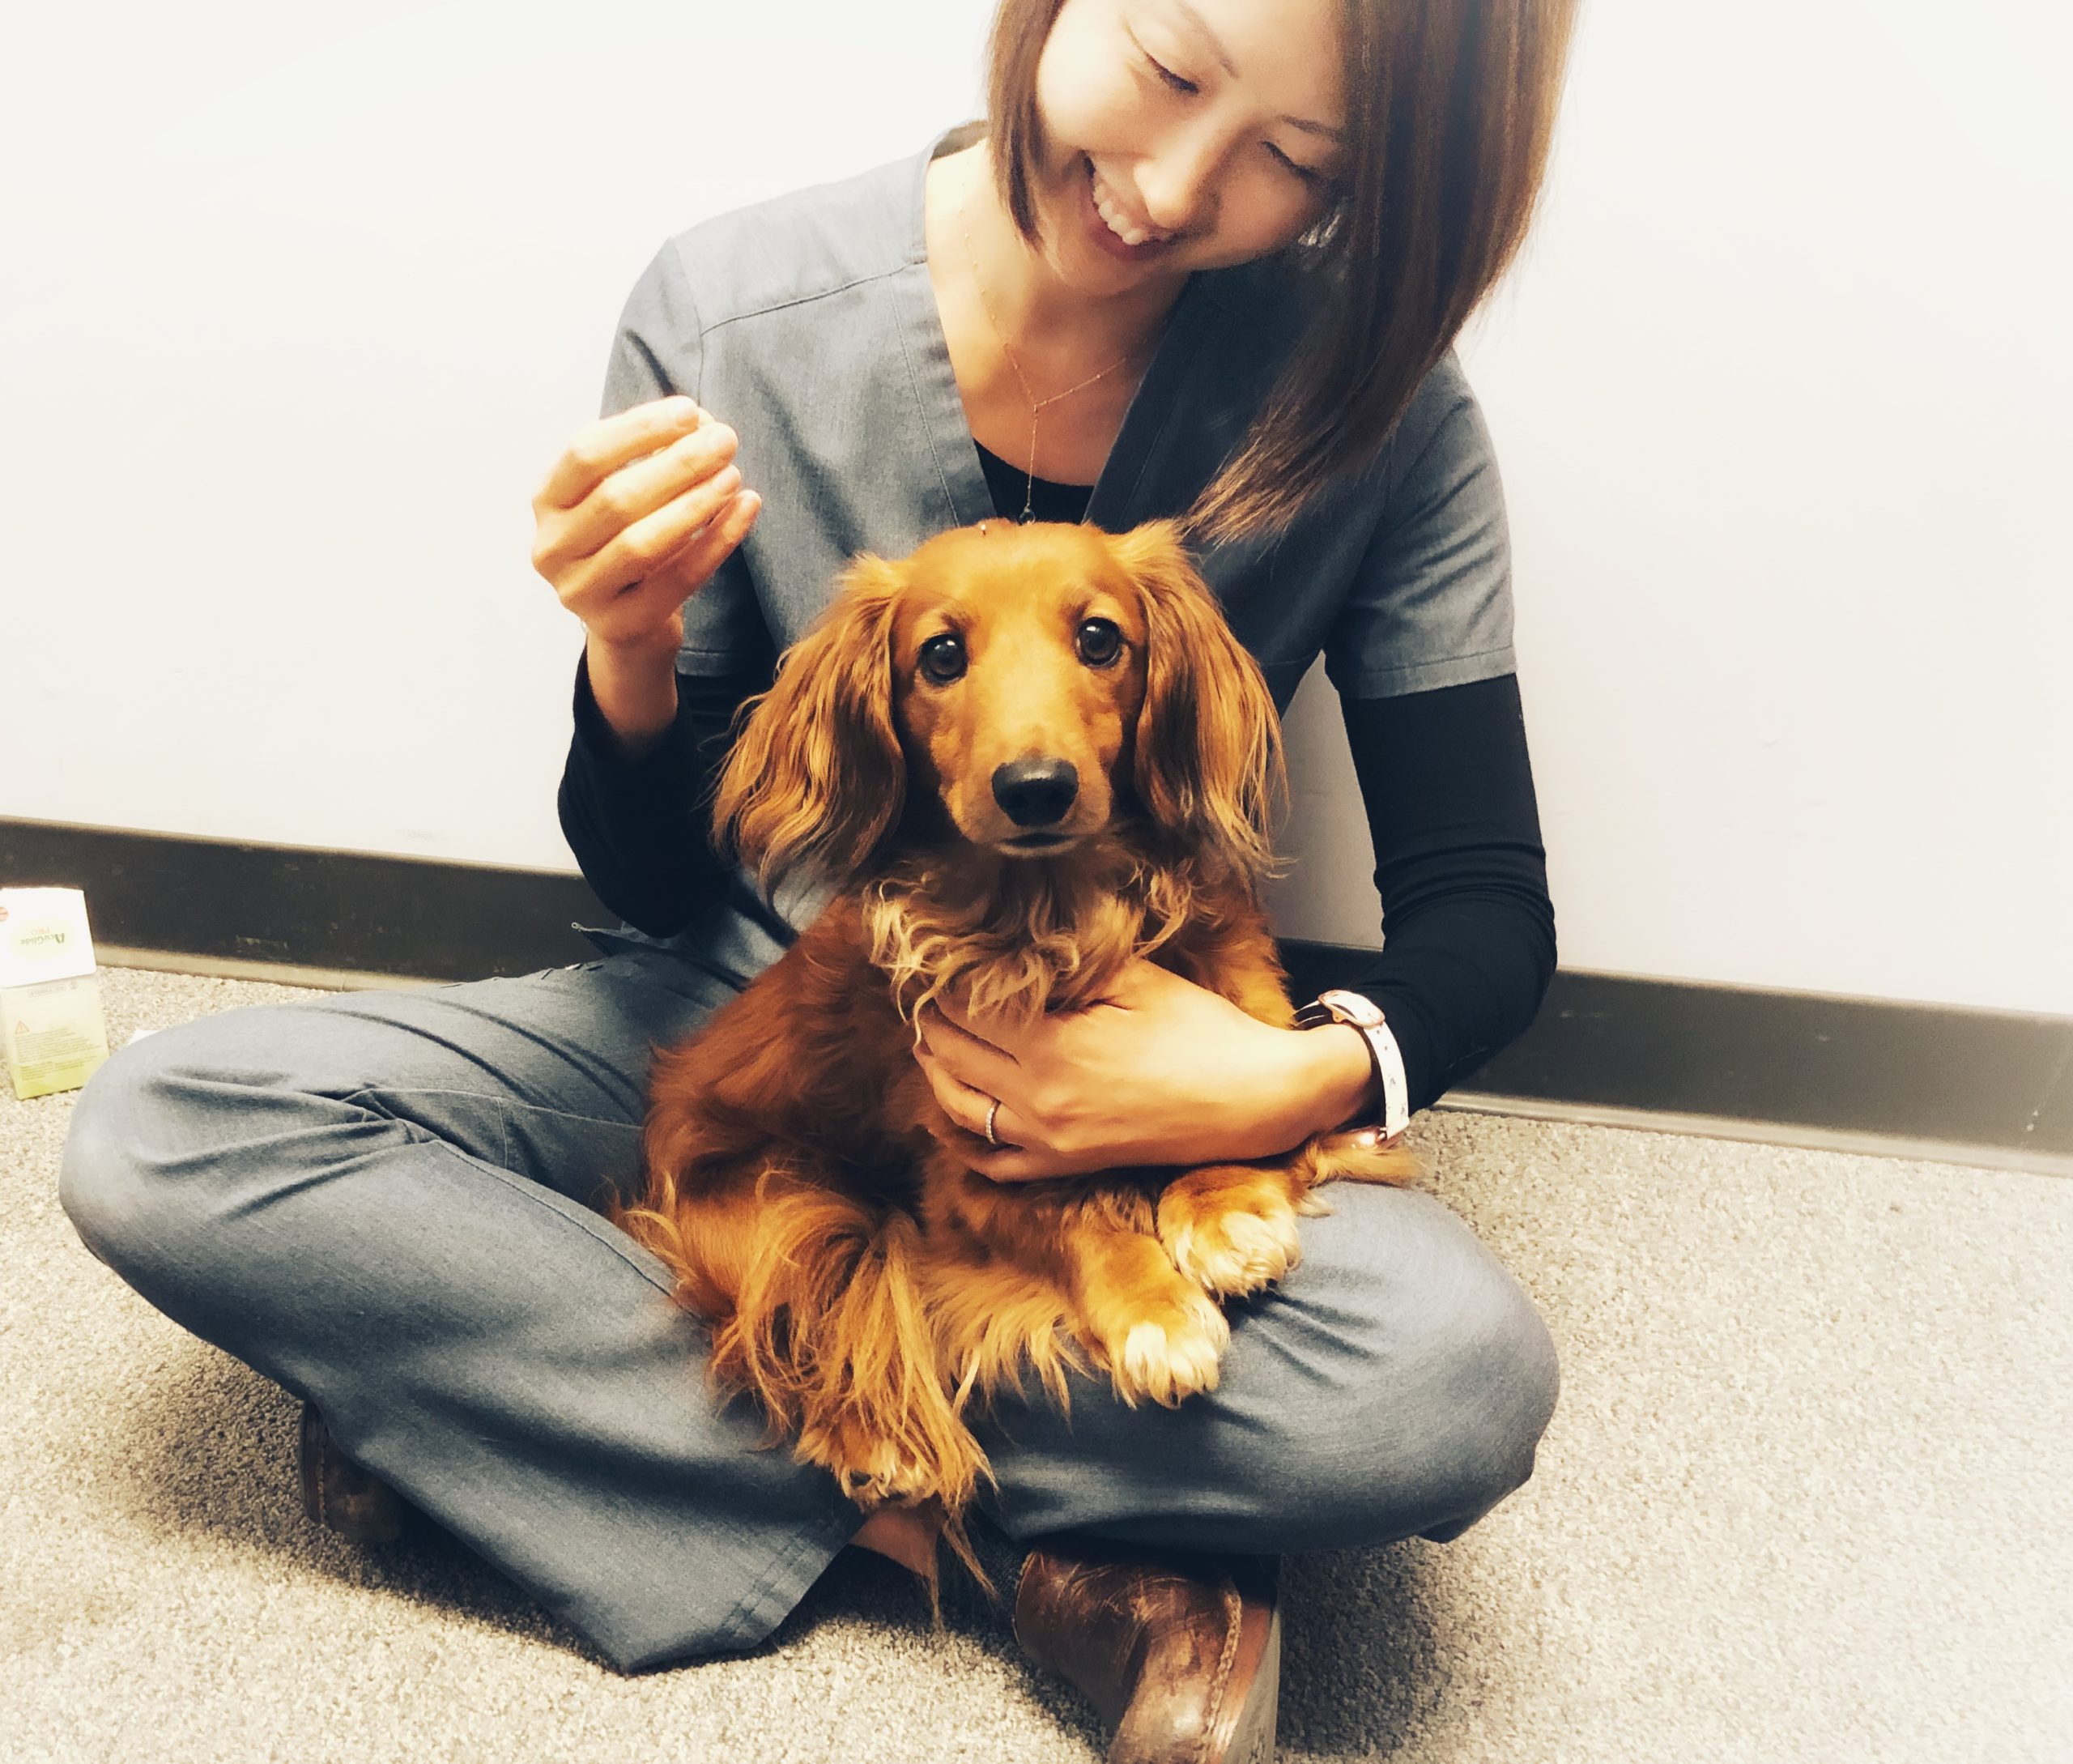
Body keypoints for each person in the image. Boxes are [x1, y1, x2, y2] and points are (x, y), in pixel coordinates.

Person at [58, 0, 1576, 1753]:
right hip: (756, 1012)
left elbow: (1483, 909)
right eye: (1162, 70)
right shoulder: (725, 313)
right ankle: (1001, 1549)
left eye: (1291, 162)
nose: (1165, 186)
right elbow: (654, 888)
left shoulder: (1379, 411)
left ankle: (494, 1386)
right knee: (168, 1134)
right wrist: (628, 661)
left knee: (1456, 1380)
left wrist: (1270, 1076)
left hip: (1127, 1025)